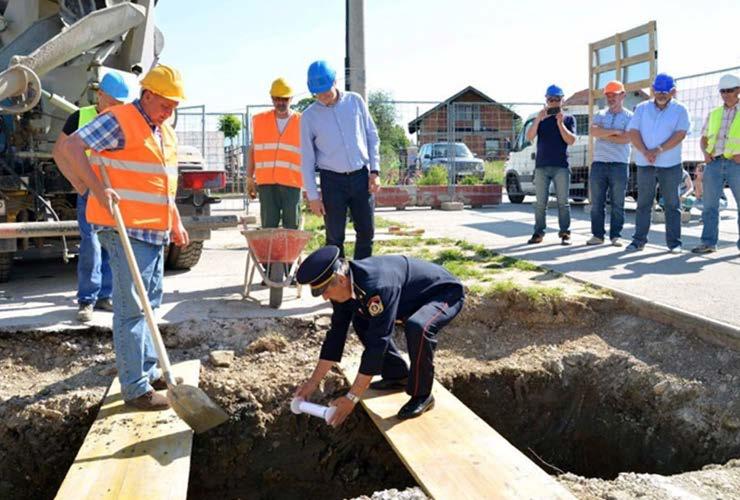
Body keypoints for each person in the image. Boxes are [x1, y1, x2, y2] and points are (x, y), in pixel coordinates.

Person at [56, 65, 188, 410]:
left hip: (153, 230)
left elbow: (164, 183)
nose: (169, 111)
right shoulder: (120, 120)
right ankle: (135, 388)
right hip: (124, 228)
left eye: (174, 105)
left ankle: (147, 367)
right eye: (165, 104)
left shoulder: (162, 131)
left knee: (151, 302)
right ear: (147, 95)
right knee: (131, 309)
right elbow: (71, 148)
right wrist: (96, 190)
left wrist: (175, 220)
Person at [294, 246, 465, 424]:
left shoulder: (377, 287)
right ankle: (397, 375)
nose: (325, 298)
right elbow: (336, 335)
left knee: (418, 327)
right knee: (361, 320)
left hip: (444, 293)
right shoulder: (345, 289)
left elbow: (378, 342)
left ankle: (422, 395)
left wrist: (352, 397)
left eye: (326, 291)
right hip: (409, 299)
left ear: (342, 280)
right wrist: (312, 383)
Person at [53, 72, 131, 322]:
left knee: (110, 243)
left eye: (121, 103)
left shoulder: (123, 118)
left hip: (114, 192)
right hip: (89, 192)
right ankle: (86, 299)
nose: (116, 108)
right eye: (112, 102)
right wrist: (77, 183)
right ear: (100, 96)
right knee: (91, 244)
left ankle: (104, 296)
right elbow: (59, 152)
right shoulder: (81, 116)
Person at [300, 60, 380, 260]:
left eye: (326, 90)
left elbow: (372, 135)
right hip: (332, 181)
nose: (323, 96)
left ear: (335, 81)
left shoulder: (355, 102)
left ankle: (363, 277)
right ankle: (339, 281)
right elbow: (307, 159)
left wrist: (375, 171)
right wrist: (313, 197)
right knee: (335, 236)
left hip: (361, 177)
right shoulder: (308, 117)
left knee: (366, 232)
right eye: (318, 93)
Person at [626, 73, 691, 253]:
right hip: (645, 163)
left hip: (670, 164)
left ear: (673, 91)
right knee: (644, 203)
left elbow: (680, 134)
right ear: (652, 90)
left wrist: (657, 150)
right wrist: (645, 151)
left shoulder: (681, 110)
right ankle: (638, 241)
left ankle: (674, 244)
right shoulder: (641, 108)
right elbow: (633, 131)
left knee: (672, 204)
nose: (661, 95)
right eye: (658, 91)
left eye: (665, 92)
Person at [692, 74, 740, 254]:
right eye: (723, 91)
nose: (726, 94)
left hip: (737, 165)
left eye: (730, 91)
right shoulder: (714, 114)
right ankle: (708, 243)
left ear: (738, 90)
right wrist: (705, 154)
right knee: (710, 206)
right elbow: (703, 138)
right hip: (714, 163)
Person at [246, 77, 302, 230]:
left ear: (291, 99)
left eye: (284, 99)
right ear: (271, 98)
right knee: (268, 229)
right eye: (277, 99)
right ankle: (271, 255)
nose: (280, 102)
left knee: (292, 229)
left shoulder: (302, 121)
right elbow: (253, 149)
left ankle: (290, 255)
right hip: (267, 185)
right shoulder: (260, 120)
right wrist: (250, 177)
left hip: (292, 184)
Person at [526, 84, 577, 246]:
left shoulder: (568, 119)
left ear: (562, 100)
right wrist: (538, 120)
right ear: (546, 100)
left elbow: (571, 140)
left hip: (561, 165)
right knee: (540, 202)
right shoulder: (540, 119)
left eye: (557, 99)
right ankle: (538, 232)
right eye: (550, 100)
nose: (553, 103)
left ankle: (565, 233)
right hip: (542, 166)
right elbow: (529, 137)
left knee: (563, 202)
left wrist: (560, 124)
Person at [586, 80, 632, 247]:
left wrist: (603, 134)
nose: (610, 98)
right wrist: (614, 132)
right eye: (608, 95)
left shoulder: (630, 117)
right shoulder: (600, 114)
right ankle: (597, 235)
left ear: (623, 95)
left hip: (619, 164)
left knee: (617, 203)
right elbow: (593, 131)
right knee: (596, 203)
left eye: (614, 95)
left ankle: (616, 236)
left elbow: (627, 138)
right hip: (599, 164)